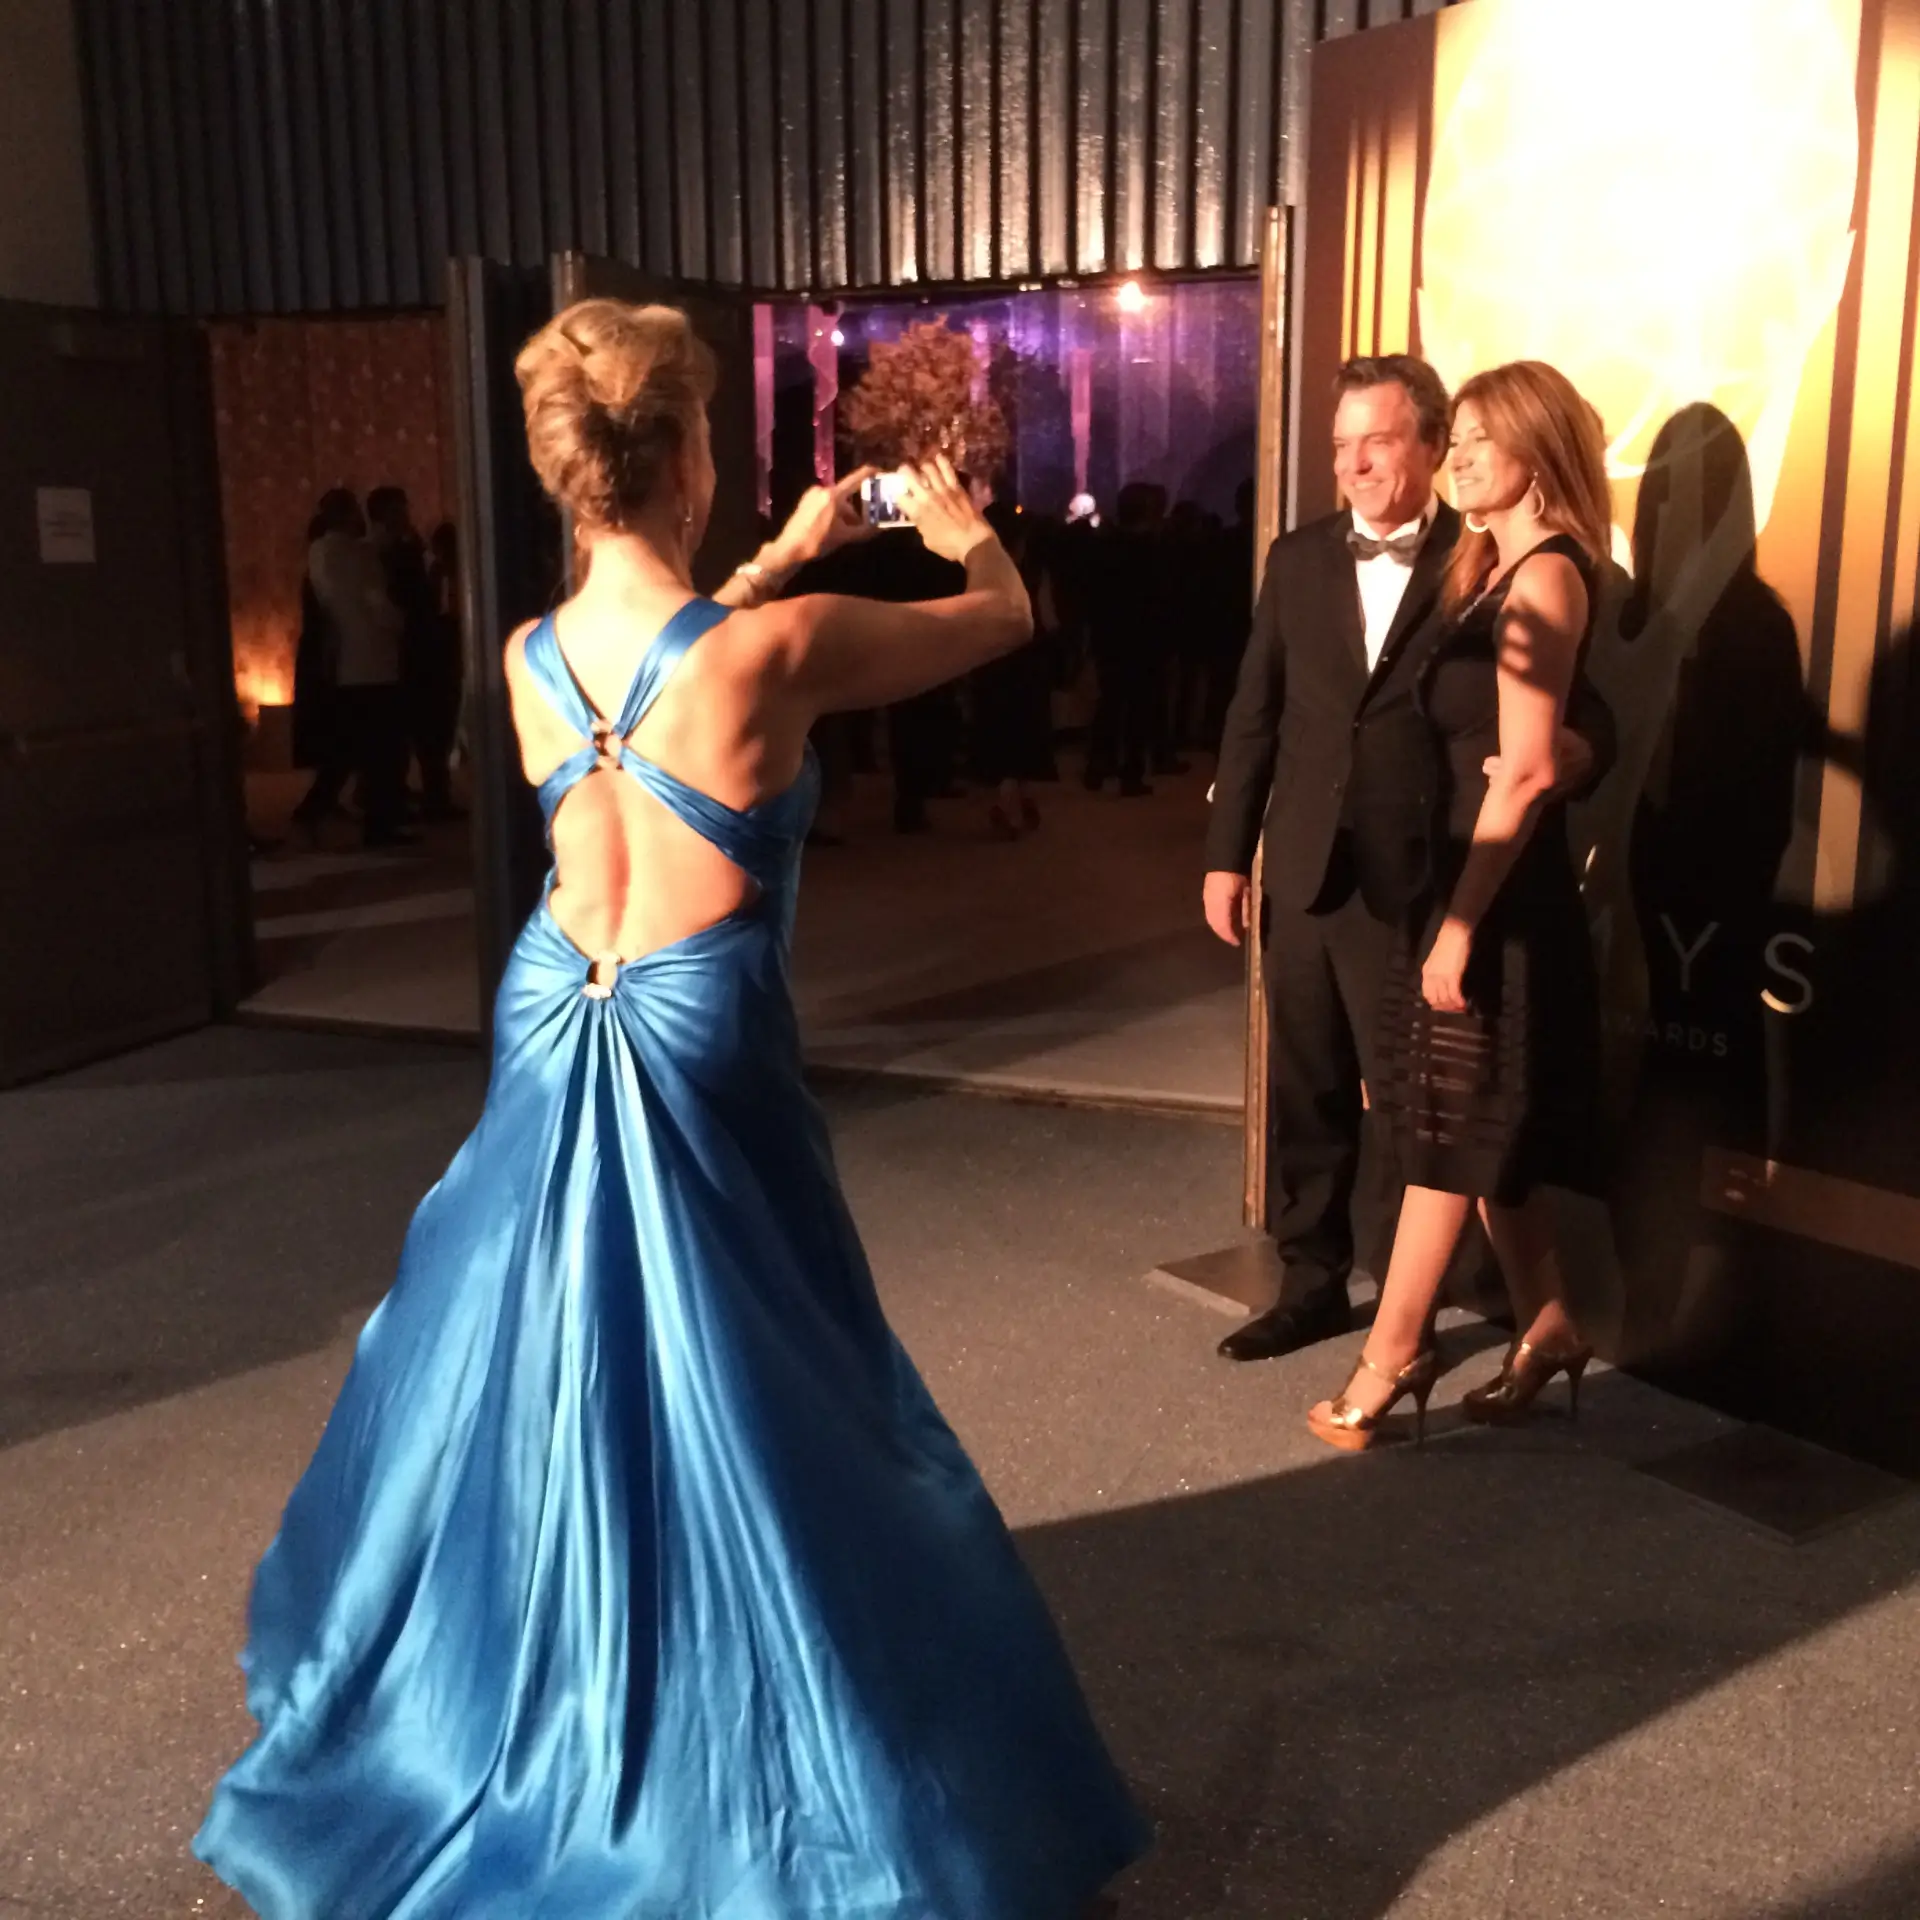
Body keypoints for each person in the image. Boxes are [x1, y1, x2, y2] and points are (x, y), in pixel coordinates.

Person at [195, 298, 1146, 1920]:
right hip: (703, 1029)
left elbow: (658, 672)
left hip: (557, 1003)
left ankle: (532, 1679)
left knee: (557, 1353)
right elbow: (997, 620)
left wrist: (773, 554)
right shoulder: (781, 649)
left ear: (573, 471)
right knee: (771, 1371)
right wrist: (959, 525)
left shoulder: (524, 658)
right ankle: (763, 1732)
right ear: (688, 452)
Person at [1205, 354, 1615, 1364]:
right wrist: (1226, 855)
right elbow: (1254, 714)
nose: (1351, 462)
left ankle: (1406, 1303)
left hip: (1418, 873)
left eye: (1375, 441)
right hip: (1302, 863)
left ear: (1430, 445)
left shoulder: (1483, 560)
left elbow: (1574, 703)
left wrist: (1580, 751)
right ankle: (1307, 1284)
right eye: (1340, 445)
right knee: (1304, 1087)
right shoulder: (1295, 558)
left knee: (1411, 1098)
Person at [306, 488, 412, 848]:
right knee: (382, 750)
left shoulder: (318, 553)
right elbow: (377, 603)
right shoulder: (359, 555)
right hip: (375, 659)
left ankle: (314, 809)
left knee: (348, 744)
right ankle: (379, 827)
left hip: (342, 661)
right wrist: (401, 625)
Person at [370, 486, 463, 823]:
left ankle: (433, 794)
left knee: (430, 726)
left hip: (420, 644)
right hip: (415, 647)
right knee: (427, 725)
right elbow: (412, 599)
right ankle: (431, 797)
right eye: (401, 508)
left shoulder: (405, 549)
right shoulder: (390, 552)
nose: (407, 514)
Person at [971, 499, 1057, 838]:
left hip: (991, 660)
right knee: (1026, 727)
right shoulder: (1035, 575)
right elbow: (1049, 619)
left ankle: (1006, 800)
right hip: (1029, 660)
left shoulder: (979, 573)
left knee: (996, 728)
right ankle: (1022, 793)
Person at [1083, 482, 1168, 796]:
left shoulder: (1104, 546)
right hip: (1142, 637)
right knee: (1137, 706)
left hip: (1111, 635)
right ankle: (1130, 773)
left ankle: (1097, 766)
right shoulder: (1151, 549)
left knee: (1110, 703)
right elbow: (1160, 596)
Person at [288, 490, 358, 845]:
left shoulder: (316, 564)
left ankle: (321, 807)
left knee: (338, 741)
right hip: (326, 661)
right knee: (339, 743)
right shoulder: (331, 560)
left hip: (321, 658)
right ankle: (311, 811)